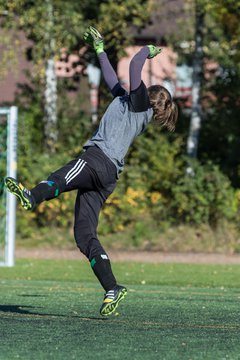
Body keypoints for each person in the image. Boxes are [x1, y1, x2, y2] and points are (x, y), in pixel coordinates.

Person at [4, 27, 178, 316]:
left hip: (98, 160)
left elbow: (136, 63)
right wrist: (99, 48)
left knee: (63, 176)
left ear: (148, 96)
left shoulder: (138, 104)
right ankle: (112, 288)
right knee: (84, 235)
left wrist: (148, 50)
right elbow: (112, 78)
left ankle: (32, 197)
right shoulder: (127, 101)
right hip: (107, 177)